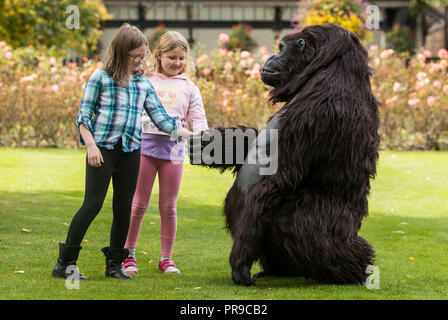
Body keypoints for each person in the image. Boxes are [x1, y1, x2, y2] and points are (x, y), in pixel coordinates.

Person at [51, 24, 193, 281]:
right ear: (121, 52)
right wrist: (91, 146)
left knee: (123, 207)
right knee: (92, 205)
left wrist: (192, 136)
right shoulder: (100, 78)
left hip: (131, 152)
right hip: (103, 150)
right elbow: (83, 117)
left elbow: (162, 120)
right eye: (136, 55)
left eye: (143, 55)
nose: (141, 60)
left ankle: (115, 264)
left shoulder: (143, 84)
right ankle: (65, 264)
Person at [122, 31, 208, 275]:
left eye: (181, 58)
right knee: (138, 205)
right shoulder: (145, 80)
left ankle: (166, 259)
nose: (177, 63)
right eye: (172, 57)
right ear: (158, 55)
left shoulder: (190, 87)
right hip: (144, 149)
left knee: (168, 207)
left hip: (173, 151)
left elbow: (198, 117)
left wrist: (202, 133)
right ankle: (128, 256)